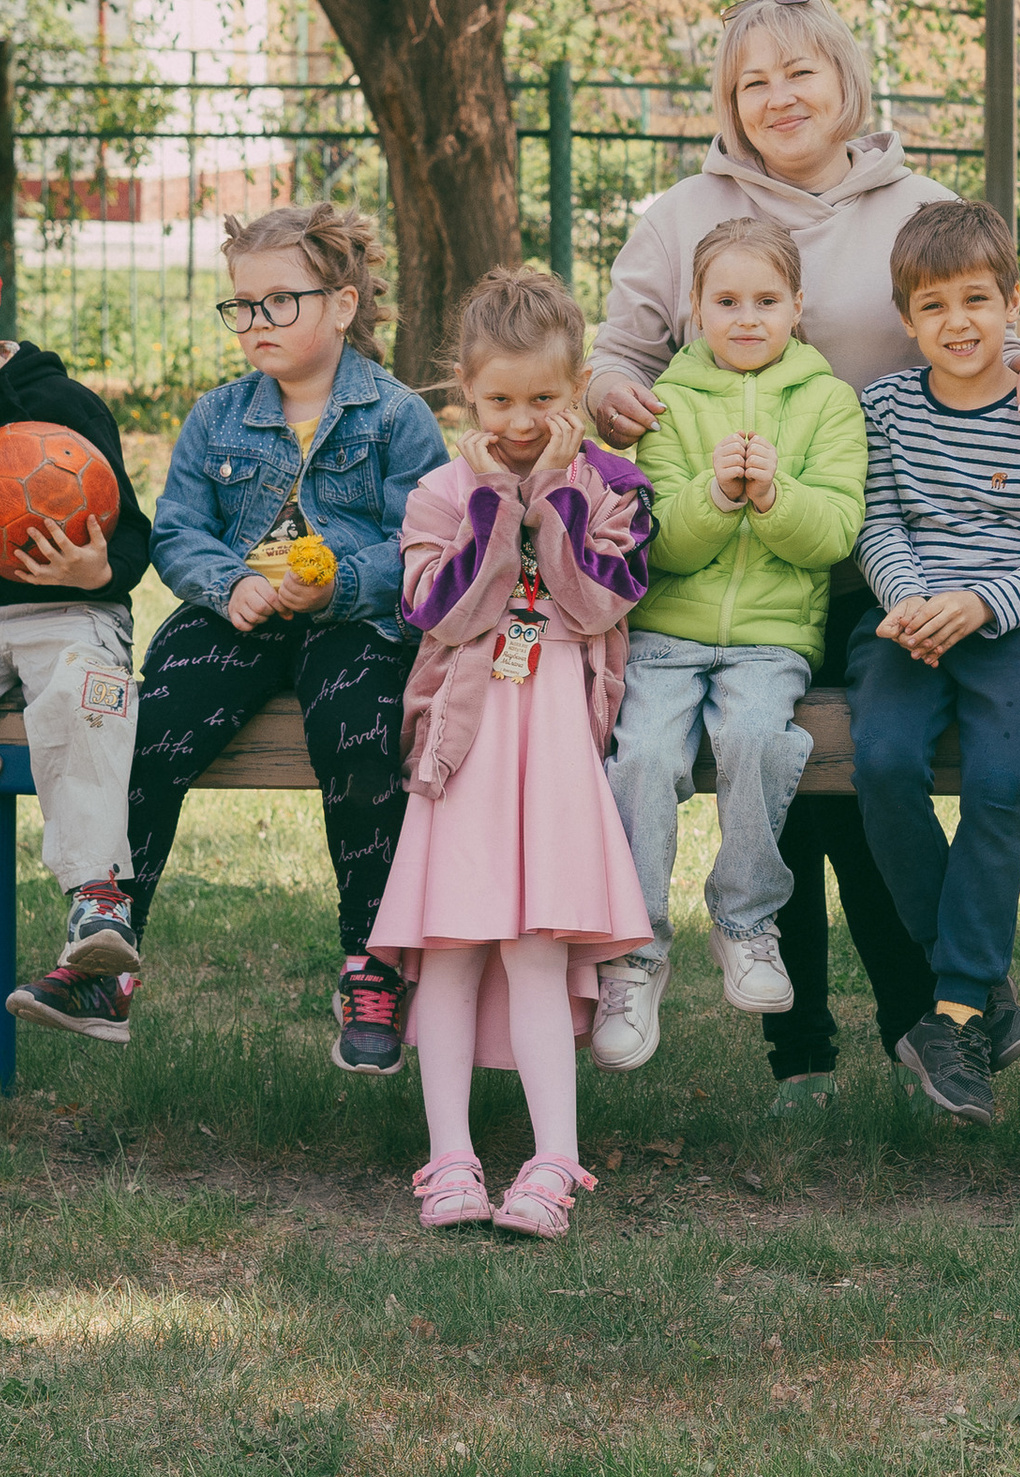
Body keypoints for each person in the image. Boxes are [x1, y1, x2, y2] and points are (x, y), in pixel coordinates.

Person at [583, 0, 1020, 1112]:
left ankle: (929, 1019)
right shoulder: (680, 216)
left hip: (882, 550)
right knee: (799, 786)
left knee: (852, 792)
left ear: (846, 82)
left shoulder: (917, 201)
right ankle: (803, 1046)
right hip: (737, 560)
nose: (779, 97)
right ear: (730, 101)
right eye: (753, 80)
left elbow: (980, 311)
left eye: (799, 72)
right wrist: (621, 399)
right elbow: (617, 354)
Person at [125, 206, 447, 1069]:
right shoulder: (218, 416)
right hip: (245, 614)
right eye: (241, 306)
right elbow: (177, 530)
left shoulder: (397, 415)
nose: (254, 323)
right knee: (152, 726)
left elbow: (423, 538)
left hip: (351, 620)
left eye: (279, 302)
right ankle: (109, 938)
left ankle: (372, 965)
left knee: (362, 739)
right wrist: (229, 586)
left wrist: (340, 582)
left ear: (343, 305)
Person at [371, 267, 654, 1239]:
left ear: (575, 389)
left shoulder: (613, 486)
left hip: (554, 748)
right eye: (500, 401)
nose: (522, 420)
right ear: (466, 393)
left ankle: (553, 1162)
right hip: (466, 744)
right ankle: (448, 1159)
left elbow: (598, 603)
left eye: (543, 398)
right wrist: (494, 504)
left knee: (537, 949)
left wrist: (559, 502)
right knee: (449, 948)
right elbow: (442, 610)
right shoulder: (440, 492)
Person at [593, 216, 869, 1067]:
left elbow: (833, 533)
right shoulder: (665, 407)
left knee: (759, 739)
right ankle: (633, 953)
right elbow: (658, 544)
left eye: (765, 300)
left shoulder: (828, 403)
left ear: (797, 308)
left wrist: (771, 494)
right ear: (693, 309)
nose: (745, 317)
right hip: (666, 636)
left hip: (770, 644)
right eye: (725, 301)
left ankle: (746, 922)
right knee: (640, 757)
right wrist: (716, 494)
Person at [853, 200, 1020, 1127]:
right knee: (879, 761)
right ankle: (974, 982)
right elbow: (878, 522)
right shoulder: (887, 409)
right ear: (908, 320)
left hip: (1015, 626)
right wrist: (911, 602)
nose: (959, 323)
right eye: (935, 306)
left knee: (1000, 782)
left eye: (977, 300)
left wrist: (984, 603)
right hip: (905, 622)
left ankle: (949, 1009)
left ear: (1011, 305)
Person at [0, 324, 157, 1043]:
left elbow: (132, 543)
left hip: (70, 612)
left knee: (86, 695)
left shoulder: (63, 403)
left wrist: (97, 571)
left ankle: (99, 901)